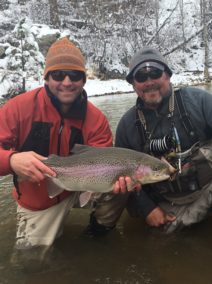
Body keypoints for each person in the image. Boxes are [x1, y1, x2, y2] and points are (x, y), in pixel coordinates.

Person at [0, 37, 128, 250]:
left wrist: (120, 181)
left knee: (123, 184)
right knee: (31, 262)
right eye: (58, 74)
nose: (67, 82)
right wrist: (12, 160)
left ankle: (96, 234)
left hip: (81, 186)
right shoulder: (18, 109)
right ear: (47, 78)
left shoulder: (96, 120)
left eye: (75, 75)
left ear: (84, 80)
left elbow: (106, 160)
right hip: (39, 198)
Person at [115, 46, 212, 233]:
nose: (149, 81)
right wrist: (147, 208)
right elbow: (121, 177)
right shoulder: (126, 125)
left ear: (168, 76)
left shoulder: (199, 101)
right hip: (167, 202)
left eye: (155, 73)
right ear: (133, 84)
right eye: (141, 77)